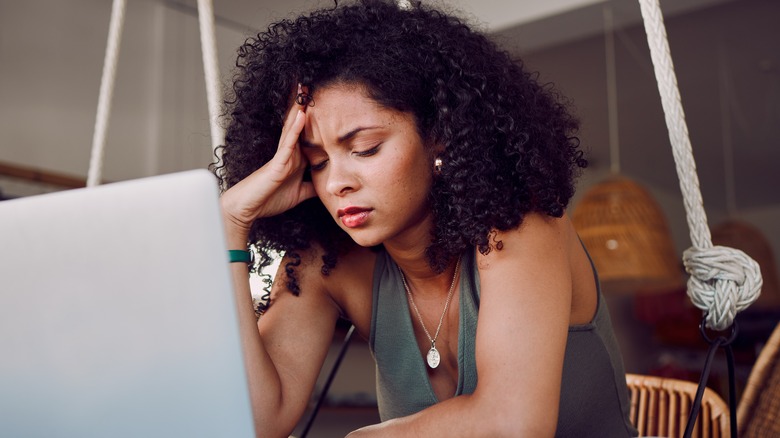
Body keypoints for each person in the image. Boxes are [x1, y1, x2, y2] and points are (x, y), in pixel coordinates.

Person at [215, 0, 637, 436]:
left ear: (439, 135)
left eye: (365, 149)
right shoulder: (328, 264)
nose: (337, 182)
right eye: (317, 162)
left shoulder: (517, 221)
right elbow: (256, 423)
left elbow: (514, 424)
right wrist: (230, 222)